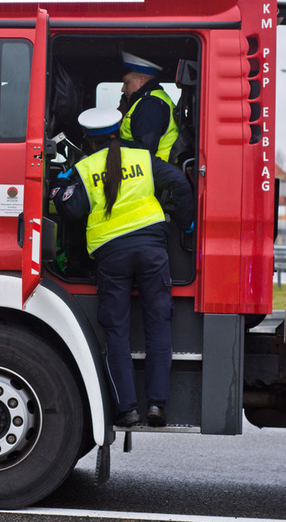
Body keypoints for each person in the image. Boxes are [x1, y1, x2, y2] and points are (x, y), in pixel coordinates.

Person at [51, 108, 193, 428]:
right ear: (118, 133)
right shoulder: (144, 160)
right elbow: (180, 186)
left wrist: (60, 183)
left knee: (117, 333)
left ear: (88, 139)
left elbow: (70, 211)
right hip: (153, 252)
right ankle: (157, 406)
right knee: (159, 328)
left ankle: (127, 409)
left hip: (111, 257)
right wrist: (187, 227)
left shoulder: (84, 168)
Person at [119, 51, 178, 162]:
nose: (123, 89)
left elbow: (145, 149)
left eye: (126, 83)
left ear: (141, 81)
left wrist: (113, 144)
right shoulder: (154, 99)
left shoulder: (149, 105)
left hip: (155, 175)